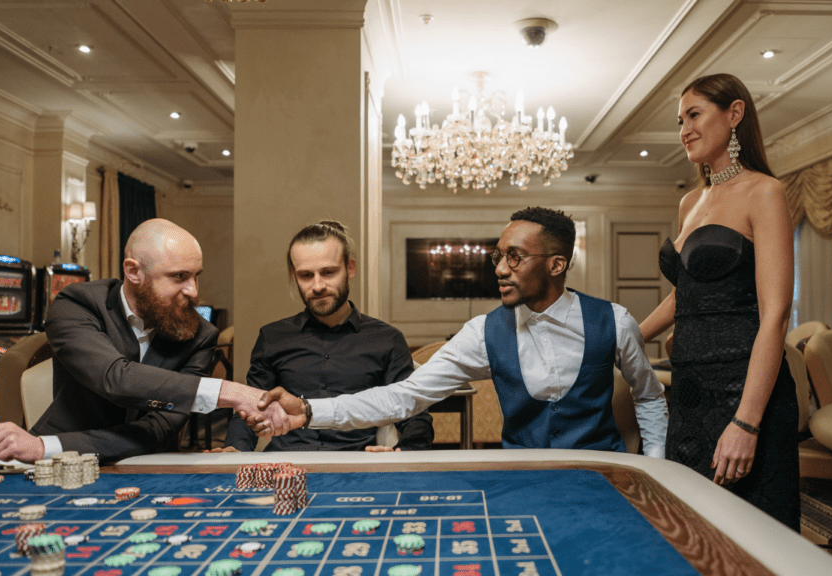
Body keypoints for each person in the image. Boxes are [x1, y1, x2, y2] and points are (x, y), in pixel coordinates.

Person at [246, 207, 668, 456]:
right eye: (498, 256)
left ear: (556, 265)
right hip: (520, 477)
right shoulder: (482, 332)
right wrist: (311, 409)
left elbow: (649, 396)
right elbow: (404, 396)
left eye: (516, 258)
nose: (500, 269)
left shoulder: (615, 320)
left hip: (604, 477)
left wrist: (655, 467)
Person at [0, 218, 284, 464]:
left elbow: (160, 429)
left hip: (147, 461)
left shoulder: (200, 334)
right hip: (56, 460)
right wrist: (228, 391)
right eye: (179, 276)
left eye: (195, 275)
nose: (192, 290)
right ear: (133, 271)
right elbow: (113, 378)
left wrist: (45, 446)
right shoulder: (76, 305)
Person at [638, 73, 799, 529]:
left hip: (743, 388)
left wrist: (746, 423)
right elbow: (685, 294)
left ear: (734, 115)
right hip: (687, 390)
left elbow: (776, 316)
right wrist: (623, 336)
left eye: (694, 115)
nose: (683, 129)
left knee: (750, 536)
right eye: (679, 120)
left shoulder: (764, 191)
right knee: (691, 528)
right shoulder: (691, 201)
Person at [215, 221, 433, 453]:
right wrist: (235, 450)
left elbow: (414, 414)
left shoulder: (387, 339)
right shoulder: (273, 337)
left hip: (357, 465)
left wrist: (403, 452)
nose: (317, 286)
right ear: (294, 276)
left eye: (328, 273)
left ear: (350, 269)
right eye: (306, 275)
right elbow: (251, 407)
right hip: (284, 464)